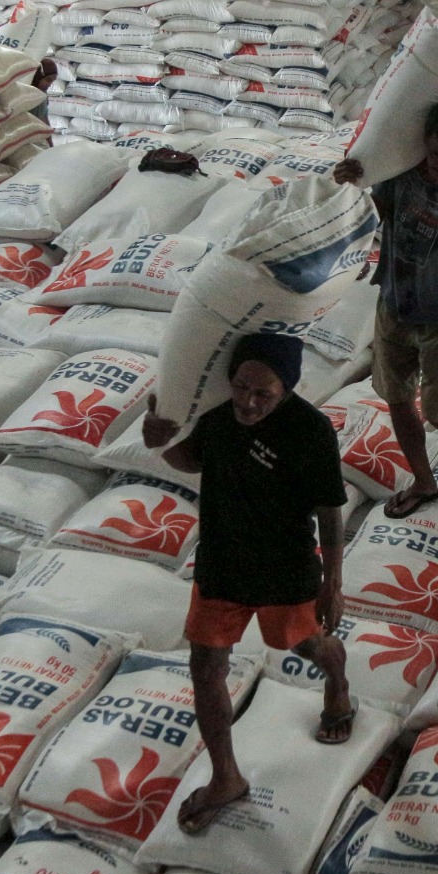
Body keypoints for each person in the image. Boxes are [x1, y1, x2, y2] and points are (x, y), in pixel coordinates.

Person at [141, 333, 354, 835]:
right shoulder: (215, 413)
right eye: (241, 388)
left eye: (264, 394)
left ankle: (338, 683)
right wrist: (160, 440)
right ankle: (226, 778)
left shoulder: (310, 430)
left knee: (308, 646)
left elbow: (329, 510)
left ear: (287, 389)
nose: (249, 402)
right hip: (222, 563)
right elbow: (192, 459)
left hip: (284, 569)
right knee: (205, 668)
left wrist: (332, 583)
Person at [332, 100, 438, 520]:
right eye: (437, 154)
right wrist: (350, 188)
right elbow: (374, 214)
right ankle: (424, 481)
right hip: (394, 304)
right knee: (398, 398)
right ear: (425, 141)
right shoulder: (400, 170)